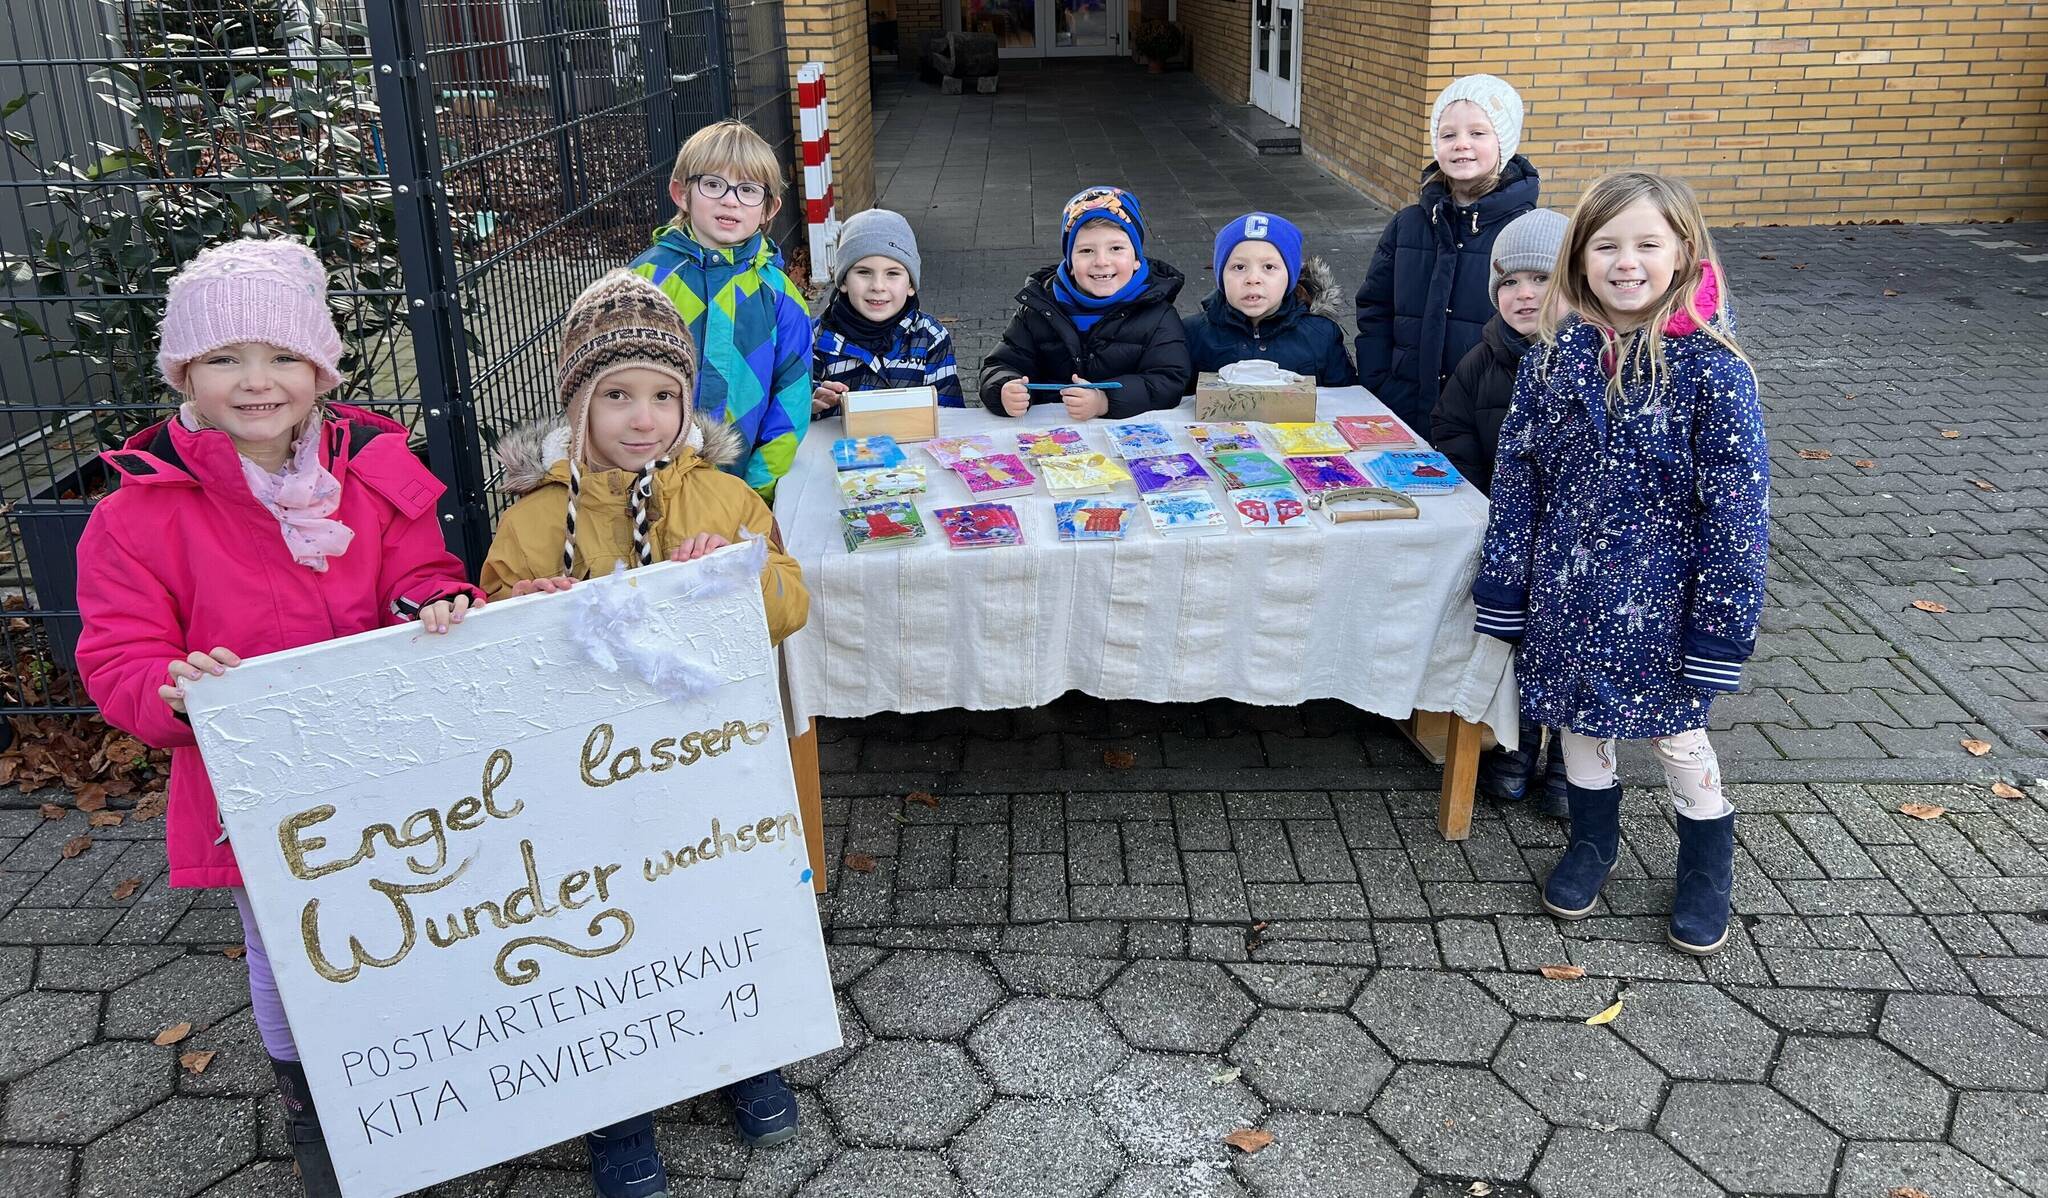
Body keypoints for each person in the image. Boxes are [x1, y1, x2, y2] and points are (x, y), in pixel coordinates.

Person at [72, 238, 485, 1197]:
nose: (257, 383)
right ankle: (311, 1100)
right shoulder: (133, 518)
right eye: (224, 359)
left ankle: (429, 1066)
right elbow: (118, 658)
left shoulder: (378, 467)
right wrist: (171, 688)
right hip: (255, 788)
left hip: (395, 755)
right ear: (184, 372)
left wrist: (431, 606)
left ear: (320, 369)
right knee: (292, 943)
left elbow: (421, 571)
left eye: (282, 357)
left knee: (422, 905)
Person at [480, 269, 811, 1194]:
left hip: (701, 762)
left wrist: (737, 578)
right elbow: (487, 639)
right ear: (577, 405)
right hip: (581, 780)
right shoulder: (536, 514)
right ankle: (615, 1107)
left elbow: (791, 601)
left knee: (712, 904)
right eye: (615, 395)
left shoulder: (723, 498)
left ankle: (745, 1049)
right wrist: (520, 610)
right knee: (600, 928)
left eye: (663, 396)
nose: (642, 417)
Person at [1473, 170, 1768, 957]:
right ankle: (1592, 844)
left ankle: (1706, 870)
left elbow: (1737, 515)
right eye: (1606, 245)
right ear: (1580, 258)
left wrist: (1721, 630)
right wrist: (1504, 585)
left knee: (1680, 743)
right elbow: (1518, 477)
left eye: (1646, 244)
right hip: (1566, 605)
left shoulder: (1715, 373)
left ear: (1683, 253)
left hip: (1665, 616)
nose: (1626, 261)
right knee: (1577, 731)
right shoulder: (1552, 361)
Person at [1433, 206, 1569, 816]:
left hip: (1574, 540)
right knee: (1513, 642)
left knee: (1574, 647)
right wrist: (1487, 498)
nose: (1523, 295)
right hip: (1504, 526)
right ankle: (1516, 742)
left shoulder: (1595, 364)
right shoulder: (1481, 359)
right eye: (1509, 283)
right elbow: (1452, 429)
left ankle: (1571, 759)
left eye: (1540, 280)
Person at [630, 118, 812, 498]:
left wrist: (757, 488)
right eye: (714, 184)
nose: (730, 199)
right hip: (646, 485)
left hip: (740, 487)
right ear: (682, 193)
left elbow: (792, 401)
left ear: (768, 208)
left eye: (748, 190)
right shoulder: (644, 281)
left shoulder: (779, 296)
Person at [1354, 74, 1539, 431]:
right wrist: (1378, 382)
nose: (1461, 144)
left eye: (1478, 133)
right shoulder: (1407, 225)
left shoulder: (1524, 233)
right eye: (1448, 134)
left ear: (1505, 141)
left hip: (1486, 418)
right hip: (1405, 407)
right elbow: (1376, 307)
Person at [979, 185, 1190, 419]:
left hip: (1125, 434)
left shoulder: (1157, 314)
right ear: (1069, 261)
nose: (1101, 261)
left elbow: (1168, 381)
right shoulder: (1038, 308)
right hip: (1049, 435)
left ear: (1136, 259)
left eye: (1116, 248)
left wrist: (1105, 401)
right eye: (1087, 250)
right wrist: (1004, 389)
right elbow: (1000, 364)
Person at [810, 208, 963, 416]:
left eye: (892, 273)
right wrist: (810, 405)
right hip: (838, 447)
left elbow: (951, 416)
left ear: (911, 284)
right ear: (843, 281)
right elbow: (794, 408)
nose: (878, 286)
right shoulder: (814, 337)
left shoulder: (930, 338)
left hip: (912, 447)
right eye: (864, 272)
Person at [1181, 212, 1355, 389]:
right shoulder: (1192, 334)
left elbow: (1344, 400)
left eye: (1269, 267)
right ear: (1221, 276)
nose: (1253, 278)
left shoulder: (1321, 335)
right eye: (1239, 267)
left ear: (1290, 276)